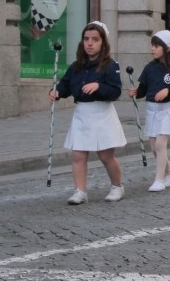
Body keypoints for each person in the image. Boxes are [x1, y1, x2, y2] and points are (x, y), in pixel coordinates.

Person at [50, 21, 126, 205]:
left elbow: (115, 91)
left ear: (103, 43)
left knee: (106, 156)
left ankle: (117, 186)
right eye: (86, 39)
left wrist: (99, 86)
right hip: (82, 114)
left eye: (95, 39)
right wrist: (57, 92)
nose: (90, 43)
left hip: (102, 113)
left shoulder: (110, 65)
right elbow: (65, 85)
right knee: (78, 155)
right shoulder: (77, 66)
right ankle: (80, 190)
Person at [128, 30, 170, 192]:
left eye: (157, 46)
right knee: (154, 147)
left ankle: (159, 179)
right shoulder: (149, 67)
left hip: (167, 109)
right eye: (152, 45)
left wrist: (168, 91)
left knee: (160, 144)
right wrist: (136, 93)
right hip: (152, 109)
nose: (153, 49)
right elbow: (144, 89)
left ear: (167, 48)